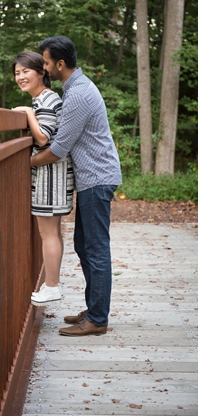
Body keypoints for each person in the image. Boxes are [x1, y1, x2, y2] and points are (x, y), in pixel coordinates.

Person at [30, 36, 122, 337]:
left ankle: (97, 319)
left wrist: (23, 164)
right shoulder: (74, 88)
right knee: (84, 246)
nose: (43, 68)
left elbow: (57, 149)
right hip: (92, 179)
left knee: (95, 249)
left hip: (97, 178)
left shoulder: (79, 94)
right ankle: (94, 308)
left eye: (45, 62)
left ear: (59, 64)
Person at [11, 51, 75, 308]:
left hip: (51, 178)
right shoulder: (46, 98)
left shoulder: (46, 100)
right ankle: (52, 285)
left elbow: (43, 138)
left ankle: (51, 287)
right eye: (17, 73)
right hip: (53, 177)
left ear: (42, 73)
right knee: (52, 233)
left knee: (47, 233)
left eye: (26, 71)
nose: (20, 77)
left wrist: (27, 111)